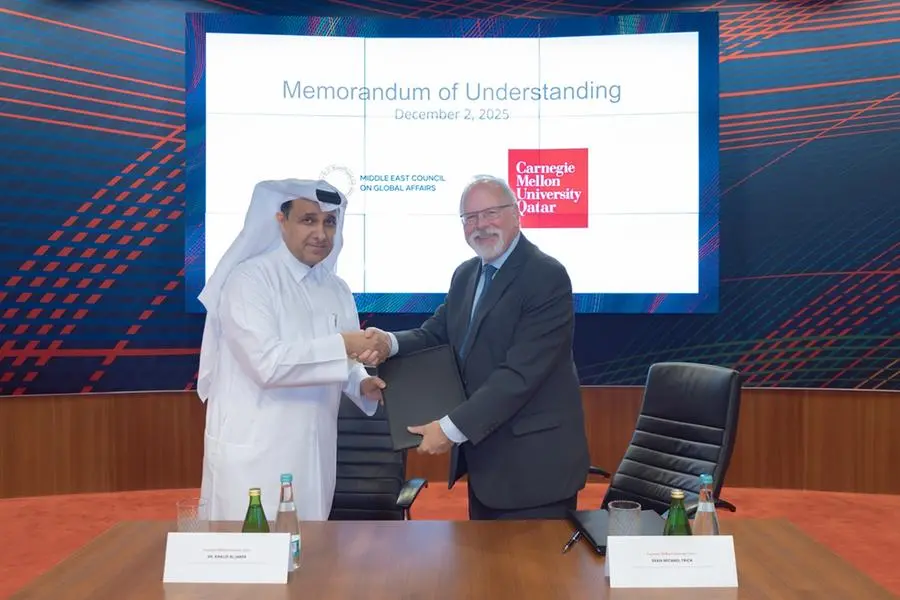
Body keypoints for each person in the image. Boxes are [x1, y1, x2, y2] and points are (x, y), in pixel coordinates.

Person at [364, 175, 590, 520]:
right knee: (483, 557)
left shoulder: (545, 276)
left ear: (516, 214)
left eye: (490, 213)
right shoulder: (467, 275)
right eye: (470, 217)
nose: (480, 225)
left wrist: (449, 428)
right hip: (486, 464)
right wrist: (388, 342)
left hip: (535, 470)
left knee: (530, 560)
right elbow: (436, 334)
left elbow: (519, 376)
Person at [196, 178, 391, 522]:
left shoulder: (336, 288)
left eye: (329, 222)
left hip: (314, 454)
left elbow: (343, 361)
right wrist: (345, 344)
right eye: (308, 220)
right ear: (281, 221)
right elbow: (267, 364)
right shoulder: (249, 280)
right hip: (256, 453)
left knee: (311, 547)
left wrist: (361, 382)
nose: (321, 233)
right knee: (251, 551)